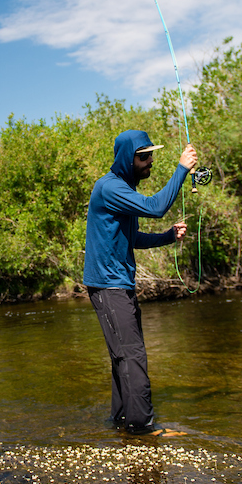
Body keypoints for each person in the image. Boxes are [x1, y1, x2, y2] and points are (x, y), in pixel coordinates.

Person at [83, 130, 198, 435]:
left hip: (117, 284)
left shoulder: (122, 189)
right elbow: (156, 208)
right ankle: (141, 428)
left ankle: (122, 421)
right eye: (144, 156)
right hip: (109, 285)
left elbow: (132, 238)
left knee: (123, 355)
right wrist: (182, 169)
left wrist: (168, 237)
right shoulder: (110, 188)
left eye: (151, 155)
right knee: (133, 355)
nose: (150, 162)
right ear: (127, 158)